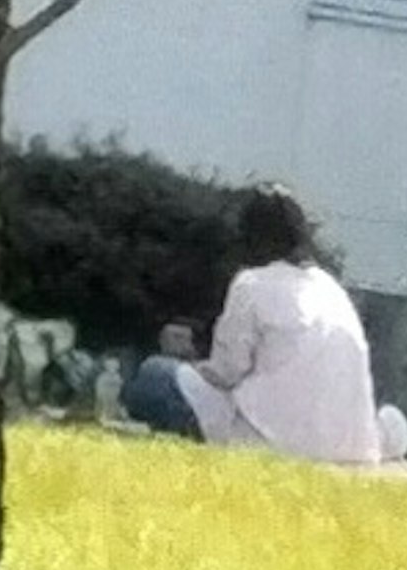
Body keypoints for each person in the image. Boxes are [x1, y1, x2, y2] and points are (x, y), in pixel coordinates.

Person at [123, 189, 381, 471]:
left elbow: (226, 372)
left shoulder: (252, 283)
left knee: (155, 375)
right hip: (349, 444)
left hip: (272, 438)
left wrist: (187, 361)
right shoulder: (333, 290)